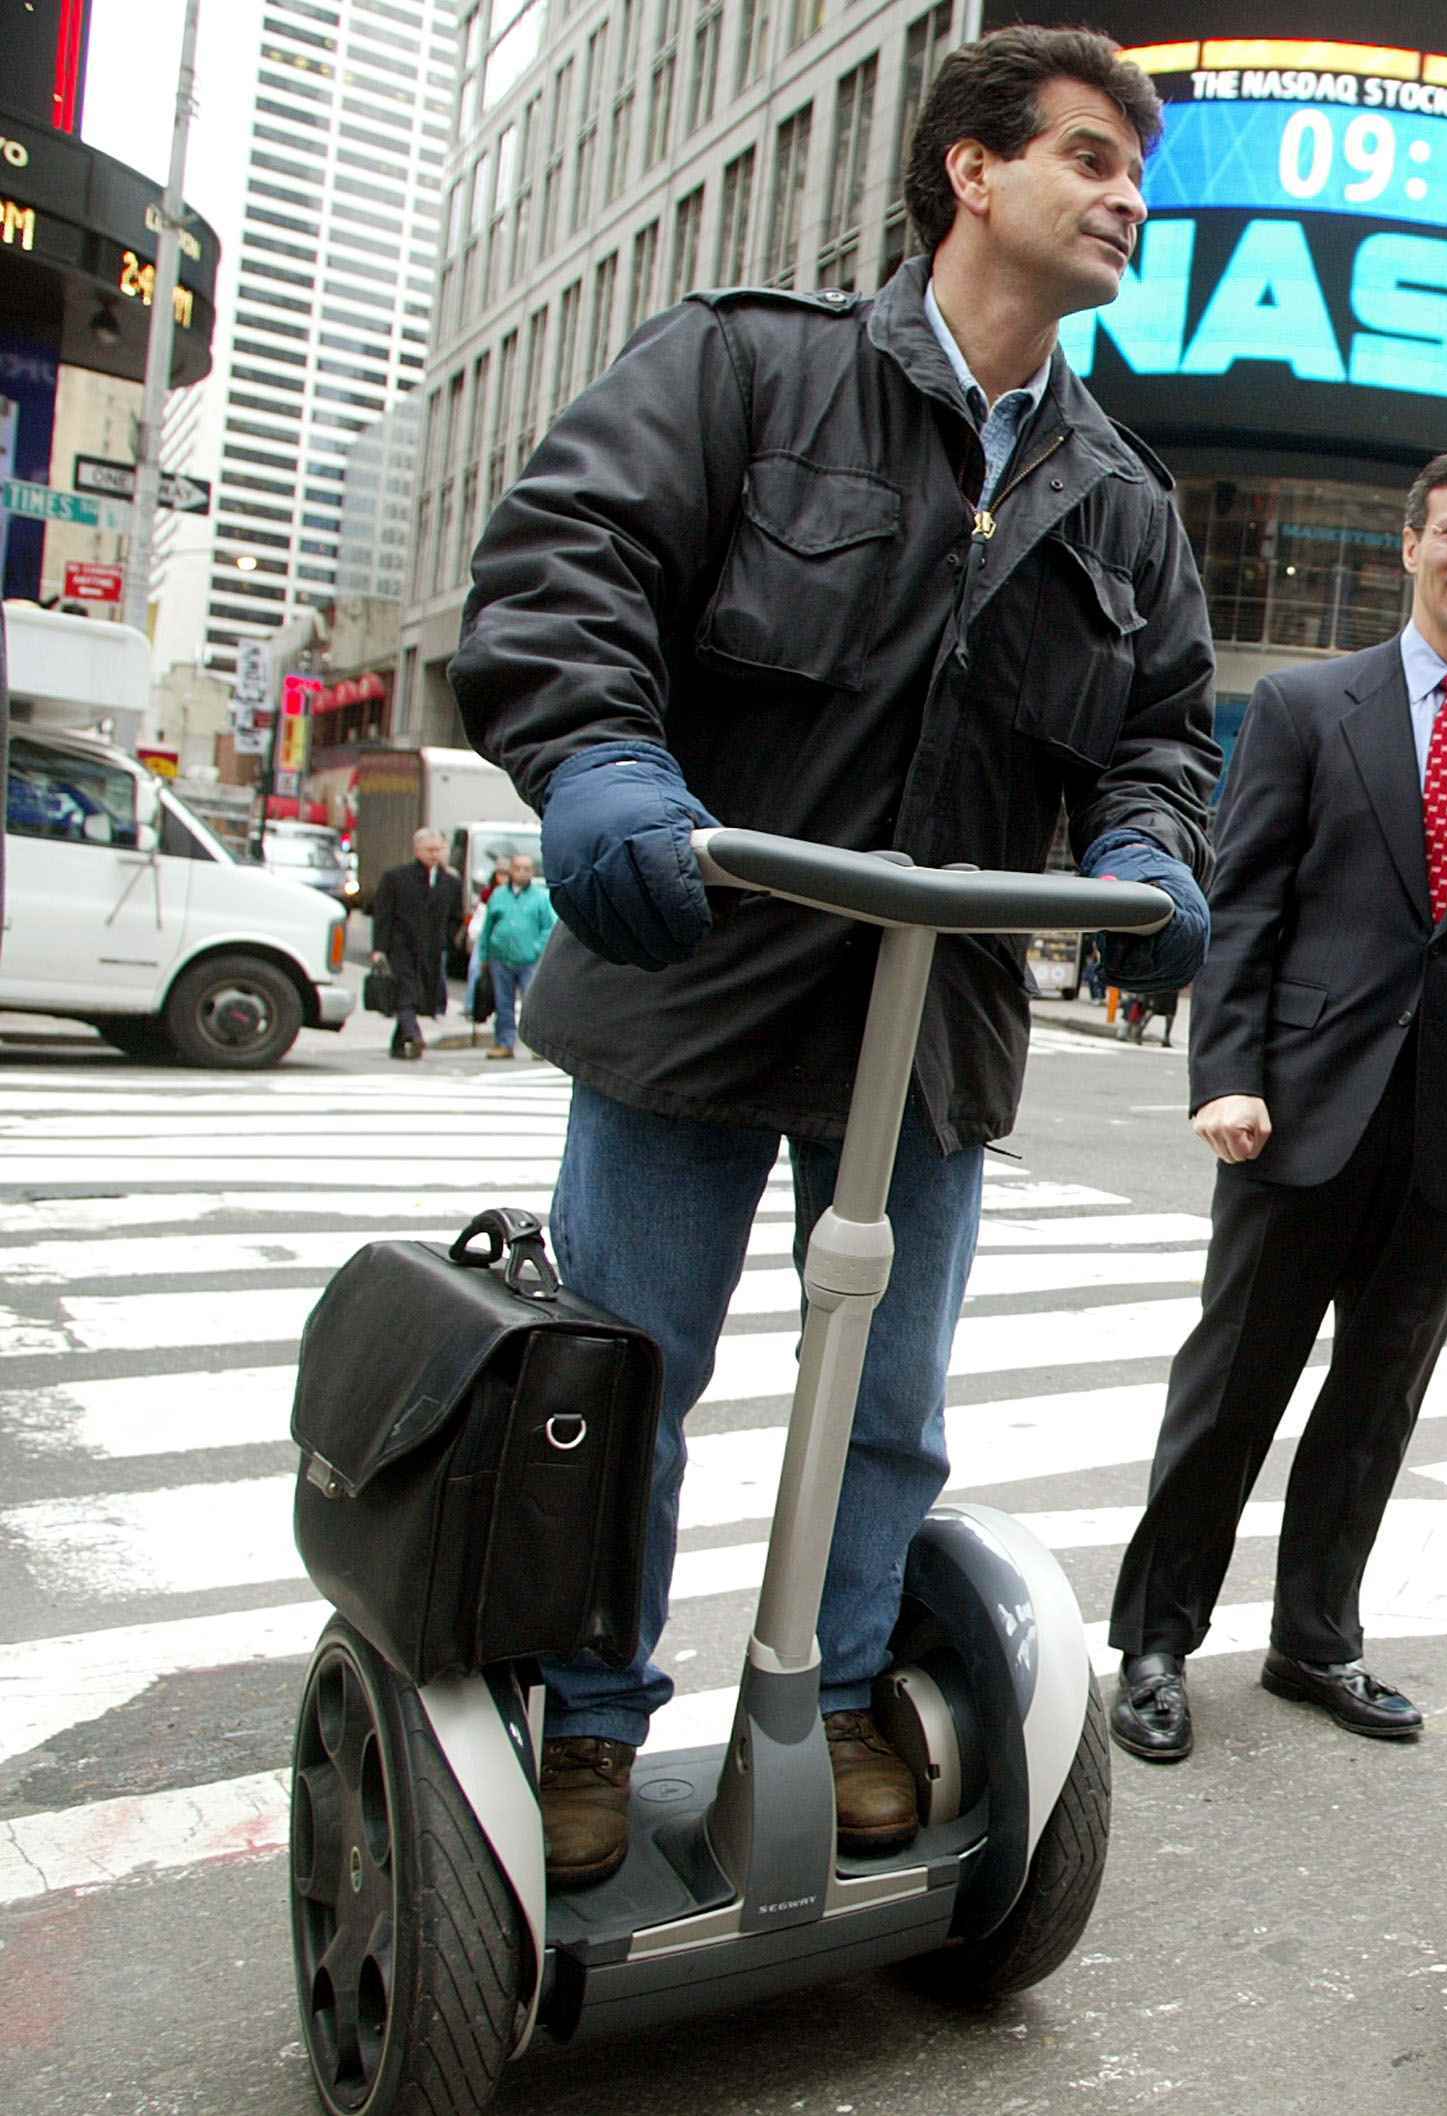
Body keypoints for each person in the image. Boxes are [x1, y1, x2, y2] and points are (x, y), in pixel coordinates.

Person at [455, 26, 1219, 1887]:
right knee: (625, 1374)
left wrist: (1144, 846)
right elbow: (568, 563)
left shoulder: (1120, 495)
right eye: (1090, 159)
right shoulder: (750, 367)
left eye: (1138, 171)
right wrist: (607, 762)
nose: (1129, 196)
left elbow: (1166, 728)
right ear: (972, 172)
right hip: (696, 963)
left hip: (933, 1008)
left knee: (891, 1402)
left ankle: (849, 1688)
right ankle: (588, 1721)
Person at [1104, 448, 1447, 1763]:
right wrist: (1226, 1076)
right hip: (1298, 1115)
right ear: (1409, 547)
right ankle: (1158, 1642)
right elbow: (1250, 903)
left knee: (1378, 1400)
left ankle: (1315, 1639)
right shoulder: (1305, 708)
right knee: (1233, 1392)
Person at [366, 828, 462, 1061]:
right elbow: (383, 916)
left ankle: (398, 1044)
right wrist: (379, 949)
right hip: (401, 946)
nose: (434, 855)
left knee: (421, 993)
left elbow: (455, 916)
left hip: (431, 949)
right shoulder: (396, 878)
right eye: (429, 850)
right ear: (417, 850)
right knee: (406, 991)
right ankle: (413, 1034)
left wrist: (447, 940)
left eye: (438, 850)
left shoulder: (449, 882)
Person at [476, 852, 556, 1060]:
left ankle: (538, 1046)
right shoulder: (499, 894)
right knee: (503, 1003)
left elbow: (549, 927)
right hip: (500, 958)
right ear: (510, 870)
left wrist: (537, 949)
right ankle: (504, 1042)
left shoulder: (540, 897)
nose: (522, 872)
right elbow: (488, 927)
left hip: (529, 959)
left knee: (533, 1004)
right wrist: (484, 954)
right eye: (518, 868)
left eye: (527, 868)